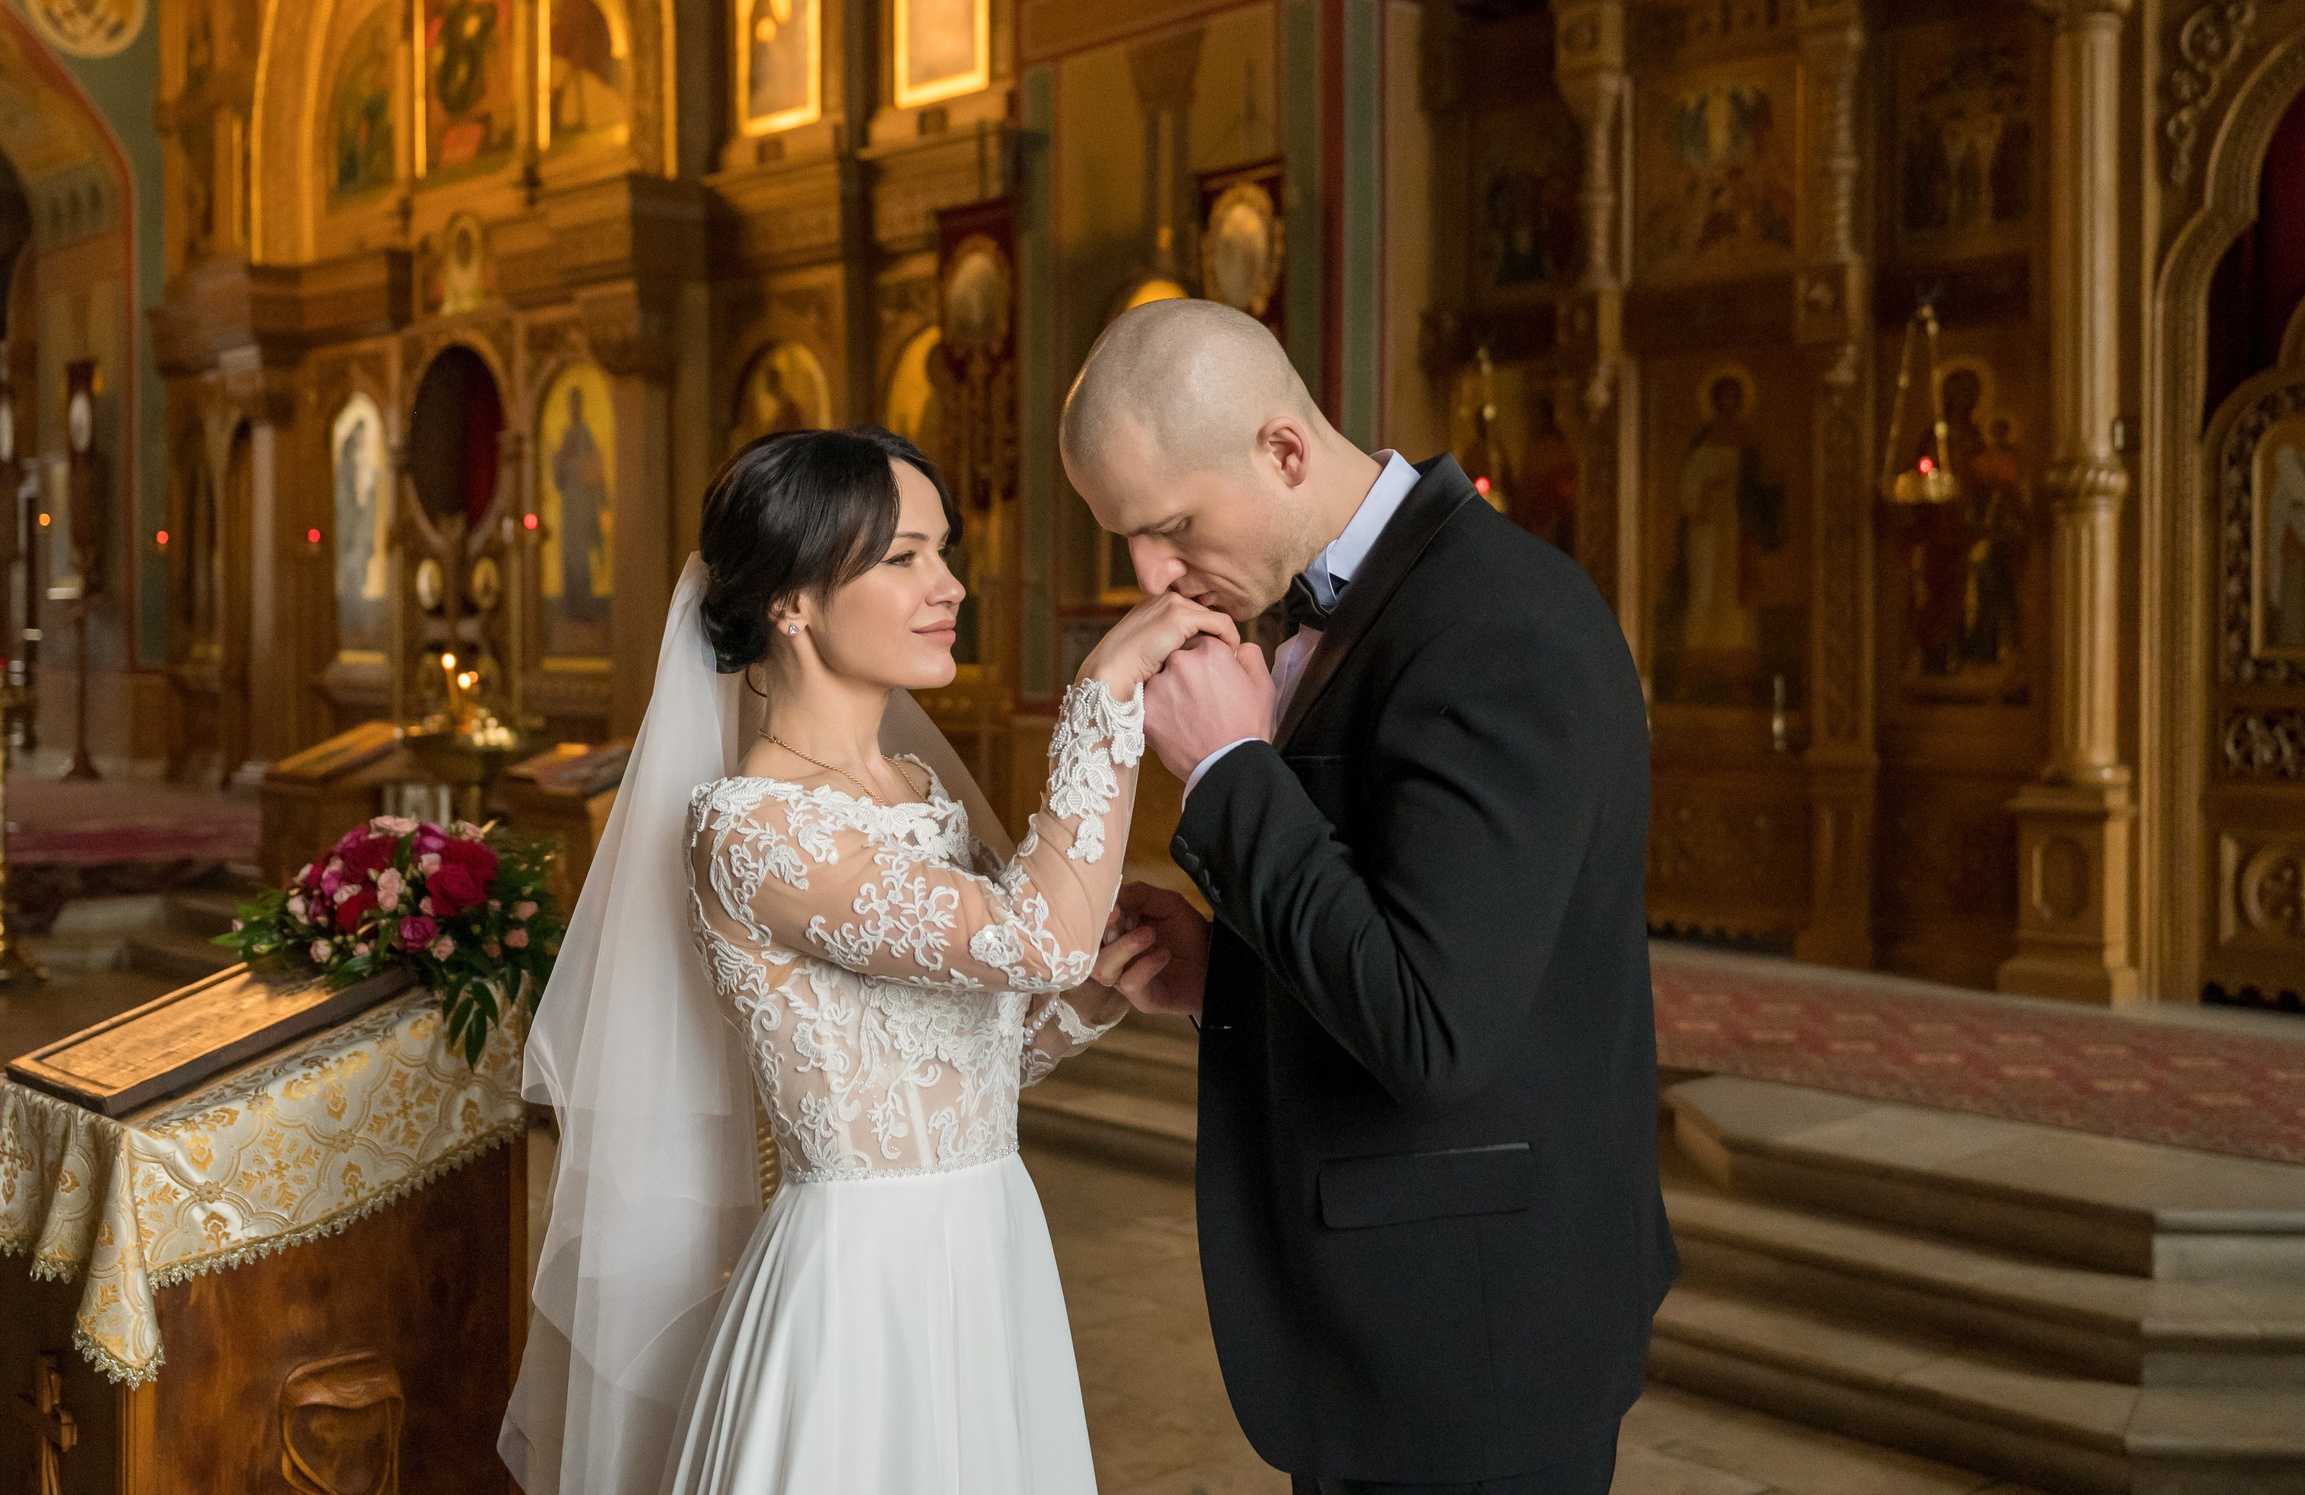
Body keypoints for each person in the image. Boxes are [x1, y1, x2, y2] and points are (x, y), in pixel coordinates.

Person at [499, 426, 1232, 1494]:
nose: (950, 586)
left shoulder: (916, 792)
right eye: (904, 558)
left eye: (943, 551)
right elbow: (1034, 932)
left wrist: (1089, 994)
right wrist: (1105, 690)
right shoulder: (753, 828)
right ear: (790, 601)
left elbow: (967, 1059)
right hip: (860, 1285)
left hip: (989, 1249)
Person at [1061, 299, 1674, 1495]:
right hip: (1388, 1328)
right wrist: (1228, 961)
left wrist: (1232, 777)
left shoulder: (1496, 622)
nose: (1148, 574)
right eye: (1124, 538)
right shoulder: (1359, 602)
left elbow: (1435, 1028)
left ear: (1284, 449)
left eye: (1172, 524)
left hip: (1475, 1336)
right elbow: (1402, 919)